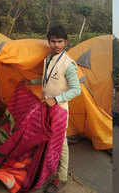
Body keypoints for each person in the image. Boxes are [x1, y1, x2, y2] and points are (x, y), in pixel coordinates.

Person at [41, 25, 81, 192]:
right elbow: (48, 80)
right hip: (46, 106)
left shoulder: (68, 64)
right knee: (46, 138)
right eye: (53, 41)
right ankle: (47, 169)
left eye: (60, 41)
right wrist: (31, 83)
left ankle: (62, 176)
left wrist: (56, 100)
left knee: (61, 142)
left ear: (66, 42)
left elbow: (76, 89)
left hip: (59, 109)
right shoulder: (48, 59)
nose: (56, 45)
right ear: (48, 42)